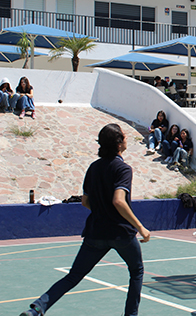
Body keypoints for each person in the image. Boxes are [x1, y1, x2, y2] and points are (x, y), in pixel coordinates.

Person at [20, 124, 150, 316]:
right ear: (118, 142)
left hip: (95, 232)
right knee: (137, 272)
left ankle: (38, 308)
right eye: (124, 135)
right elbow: (118, 201)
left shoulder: (93, 168)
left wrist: (102, 210)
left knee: (73, 276)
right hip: (121, 232)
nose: (127, 137)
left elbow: (85, 202)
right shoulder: (123, 169)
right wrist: (140, 227)